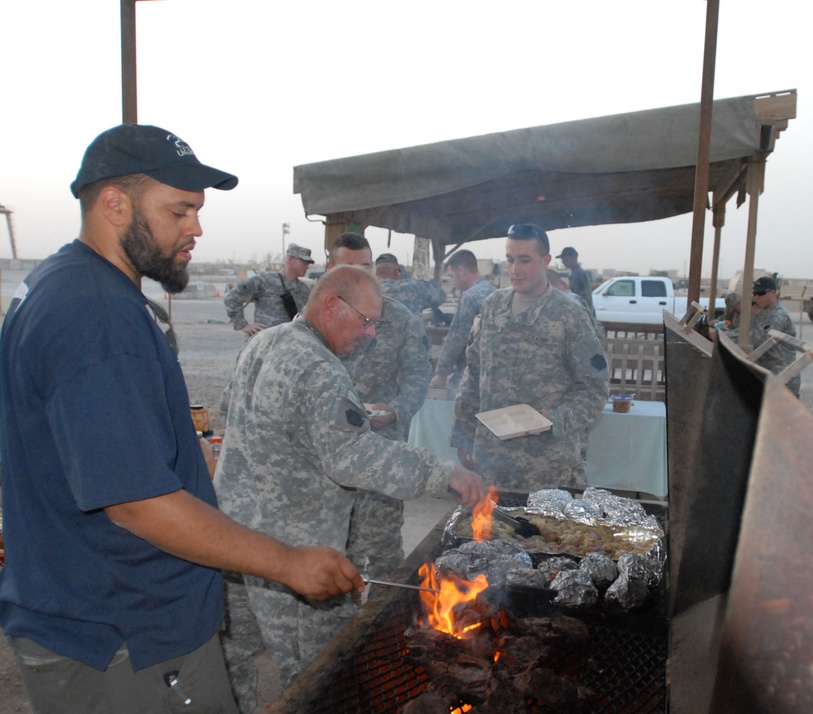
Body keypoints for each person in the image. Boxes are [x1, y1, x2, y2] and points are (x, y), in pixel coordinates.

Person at [0, 124, 362, 714]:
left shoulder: (63, 285)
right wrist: (287, 562)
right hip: (122, 634)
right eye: (180, 210)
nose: (196, 227)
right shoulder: (95, 315)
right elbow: (136, 502)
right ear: (114, 203)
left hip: (98, 611)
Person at [214, 266, 486, 710]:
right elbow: (353, 457)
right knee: (315, 673)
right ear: (330, 305)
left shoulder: (263, 343)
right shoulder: (320, 369)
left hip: (233, 539)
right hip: (294, 553)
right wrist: (444, 473)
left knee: (234, 659)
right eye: (366, 320)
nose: (372, 333)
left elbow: (233, 416)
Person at [451, 223, 610, 491]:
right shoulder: (493, 306)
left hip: (548, 468)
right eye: (511, 259)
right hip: (492, 461)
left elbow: (595, 388)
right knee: (491, 531)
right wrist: (463, 433)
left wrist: (557, 419)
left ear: (546, 261)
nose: (515, 269)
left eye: (525, 260)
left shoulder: (569, 315)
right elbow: (474, 372)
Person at [329, 232, 433, 580]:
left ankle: (386, 627)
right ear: (330, 268)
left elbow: (419, 375)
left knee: (385, 551)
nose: (361, 275)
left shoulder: (400, 319)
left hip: (382, 453)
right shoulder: (316, 318)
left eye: (365, 266)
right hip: (329, 460)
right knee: (336, 554)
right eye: (349, 267)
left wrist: (396, 409)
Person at [431, 249, 497, 391]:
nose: (452, 281)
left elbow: (457, 338)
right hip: (493, 374)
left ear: (461, 271)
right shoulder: (494, 292)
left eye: (452, 276)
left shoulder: (470, 296)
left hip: (471, 374)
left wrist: (441, 373)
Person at [224, 243, 314, 336]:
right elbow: (231, 298)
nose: (307, 266)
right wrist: (243, 325)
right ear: (290, 260)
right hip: (266, 342)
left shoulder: (304, 289)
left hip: (290, 342)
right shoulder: (265, 280)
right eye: (304, 262)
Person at [747, 276, 801, 397]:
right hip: (766, 374)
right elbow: (747, 331)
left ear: (773, 293)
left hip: (782, 377)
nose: (757, 297)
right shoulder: (762, 312)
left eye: (761, 293)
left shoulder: (779, 315)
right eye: (755, 293)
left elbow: (759, 341)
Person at [374, 252, 447, 319]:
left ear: (376, 273)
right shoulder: (413, 287)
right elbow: (441, 296)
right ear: (396, 271)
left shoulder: (367, 292)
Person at [555, 246, 594, 314]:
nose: (563, 262)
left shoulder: (580, 275)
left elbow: (582, 299)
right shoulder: (575, 273)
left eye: (564, 259)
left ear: (573, 257)